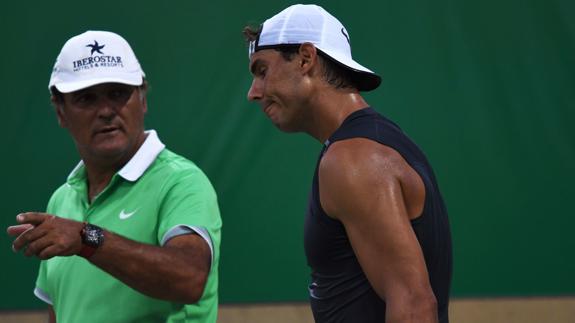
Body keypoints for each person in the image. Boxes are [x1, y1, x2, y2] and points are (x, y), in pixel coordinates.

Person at [243, 4, 452, 323]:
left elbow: (414, 305)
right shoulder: (369, 144)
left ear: (305, 58)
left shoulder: (353, 158)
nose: (253, 93)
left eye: (262, 71)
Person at [6, 30, 222, 323]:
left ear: (142, 98)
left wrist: (86, 238)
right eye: (86, 98)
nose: (106, 110)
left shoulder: (181, 181)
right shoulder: (61, 201)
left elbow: (189, 277)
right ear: (60, 112)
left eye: (118, 93)